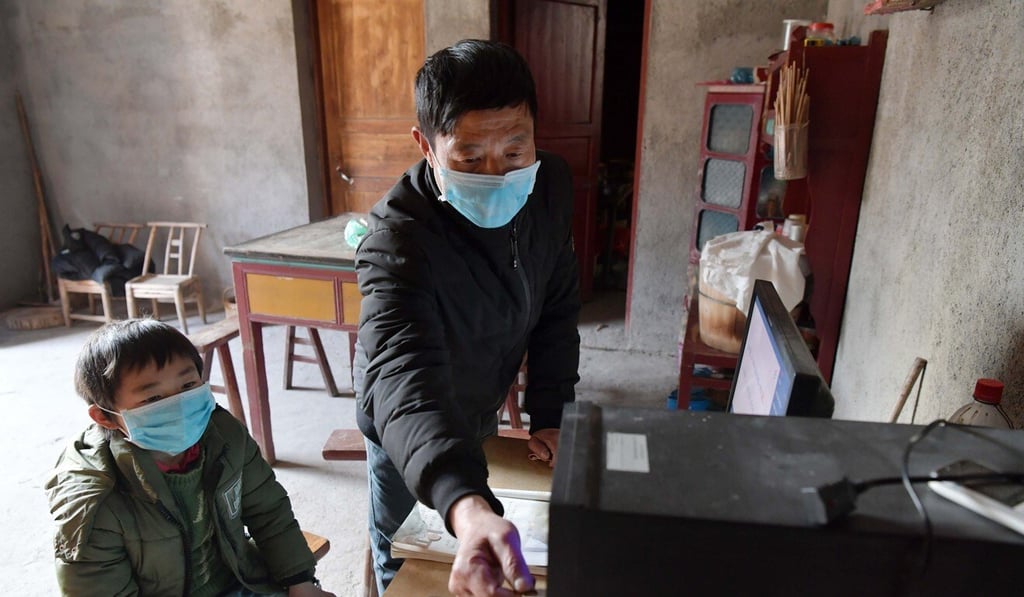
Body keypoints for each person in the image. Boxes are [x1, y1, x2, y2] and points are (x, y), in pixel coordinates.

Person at [353, 39, 581, 595]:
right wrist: (464, 500)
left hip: (480, 396)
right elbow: (401, 374)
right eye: (470, 159)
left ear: (535, 135)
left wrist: (550, 411)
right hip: (407, 423)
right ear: (426, 147)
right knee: (407, 553)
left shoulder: (549, 184)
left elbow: (556, 302)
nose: (498, 174)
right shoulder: (397, 237)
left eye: (514, 152)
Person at [45, 319, 335, 597]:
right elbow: (97, 587)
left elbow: (269, 511)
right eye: (153, 399)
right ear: (104, 417)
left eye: (188, 386)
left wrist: (300, 580)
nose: (180, 405)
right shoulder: (94, 500)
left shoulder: (225, 437)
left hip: (240, 578)